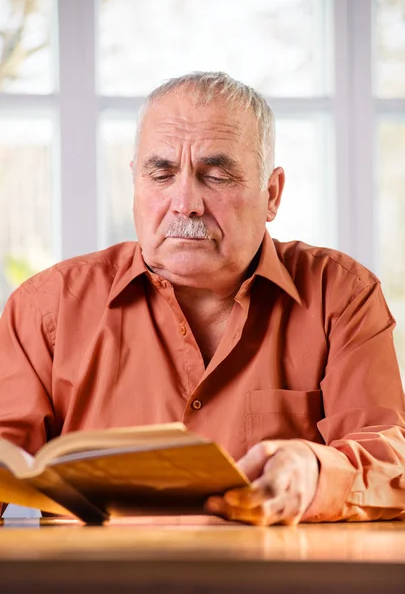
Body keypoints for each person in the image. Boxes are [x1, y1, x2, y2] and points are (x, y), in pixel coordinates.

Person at [0, 72, 404, 526]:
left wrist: (313, 473)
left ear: (271, 195)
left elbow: (390, 457)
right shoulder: (46, 306)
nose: (185, 202)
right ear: (135, 183)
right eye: (161, 173)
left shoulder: (341, 294)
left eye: (215, 175)